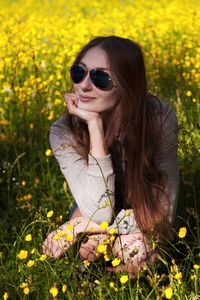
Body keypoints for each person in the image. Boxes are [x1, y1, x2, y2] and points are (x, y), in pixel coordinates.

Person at [42, 36, 179, 273]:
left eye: (100, 78)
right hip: (94, 206)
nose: (84, 85)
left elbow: (163, 215)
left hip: (146, 208)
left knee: (134, 251)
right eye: (79, 72)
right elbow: (99, 209)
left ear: (128, 85)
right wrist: (95, 127)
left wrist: (76, 227)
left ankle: (111, 273)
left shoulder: (159, 120)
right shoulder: (63, 131)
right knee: (89, 247)